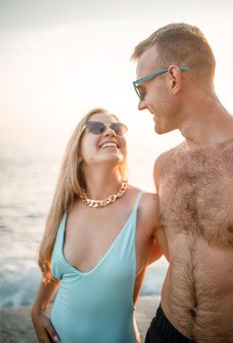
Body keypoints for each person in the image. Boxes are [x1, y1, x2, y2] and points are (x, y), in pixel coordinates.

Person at [131, 23, 233, 343]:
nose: (140, 104)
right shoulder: (165, 167)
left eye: (141, 89)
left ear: (173, 78)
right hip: (165, 331)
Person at [31, 108, 168, 343]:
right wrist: (37, 310)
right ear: (78, 151)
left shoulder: (147, 207)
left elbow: (184, 269)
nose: (110, 132)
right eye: (97, 128)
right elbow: (52, 269)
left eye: (117, 128)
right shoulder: (65, 207)